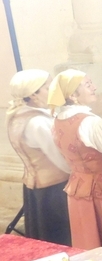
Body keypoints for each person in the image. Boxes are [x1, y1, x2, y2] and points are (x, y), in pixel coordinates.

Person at [49, 70, 102, 252]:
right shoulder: (93, 124)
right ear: (72, 95)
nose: (94, 87)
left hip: (79, 193)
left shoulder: (56, 122)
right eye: (88, 84)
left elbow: (65, 160)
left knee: (89, 243)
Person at [6, 70, 71, 245]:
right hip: (55, 191)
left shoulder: (18, 117)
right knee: (61, 239)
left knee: (46, 238)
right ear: (34, 94)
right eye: (48, 87)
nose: (53, 90)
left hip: (37, 190)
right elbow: (61, 159)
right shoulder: (38, 123)